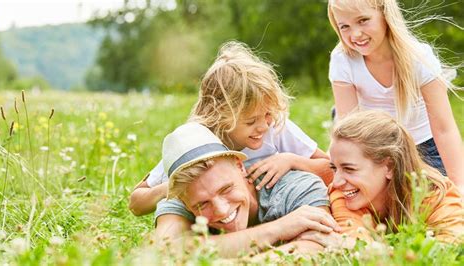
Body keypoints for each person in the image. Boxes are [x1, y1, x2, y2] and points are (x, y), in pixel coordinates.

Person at [129, 41, 333, 215]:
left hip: (277, 208)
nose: (263, 126)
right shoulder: (197, 142)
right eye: (251, 121)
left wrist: (291, 160)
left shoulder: (276, 127)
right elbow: (136, 202)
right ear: (219, 116)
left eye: (267, 114)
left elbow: (332, 169)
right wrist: (179, 186)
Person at [327, 0, 464, 193]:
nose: (355, 34)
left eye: (363, 20)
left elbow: (444, 129)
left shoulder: (418, 58)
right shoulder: (343, 59)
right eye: (345, 26)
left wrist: (459, 184)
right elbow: (350, 127)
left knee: (430, 200)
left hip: (423, 146)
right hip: (373, 147)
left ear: (385, 15)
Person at [154, 122, 341, 257]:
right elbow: (164, 253)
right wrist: (278, 229)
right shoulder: (182, 200)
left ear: (240, 166)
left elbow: (318, 246)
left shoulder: (297, 187)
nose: (221, 210)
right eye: (202, 204)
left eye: (226, 189)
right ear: (184, 202)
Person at [298, 110, 463, 248]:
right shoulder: (345, 194)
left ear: (389, 167)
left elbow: (449, 247)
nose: (337, 181)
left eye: (349, 169)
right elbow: (356, 247)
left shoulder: (436, 193)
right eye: (334, 168)